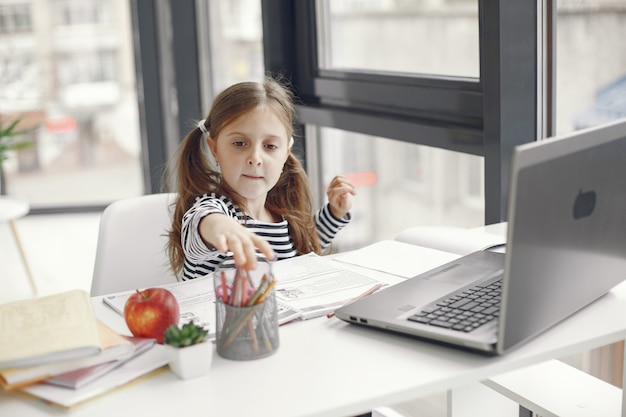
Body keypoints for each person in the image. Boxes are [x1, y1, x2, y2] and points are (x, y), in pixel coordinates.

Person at [167, 76, 356, 280]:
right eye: (239, 144)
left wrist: (334, 214)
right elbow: (201, 224)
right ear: (214, 148)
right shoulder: (213, 208)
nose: (255, 158)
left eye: (270, 146)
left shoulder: (282, 217)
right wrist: (221, 227)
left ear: (285, 152)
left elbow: (307, 247)